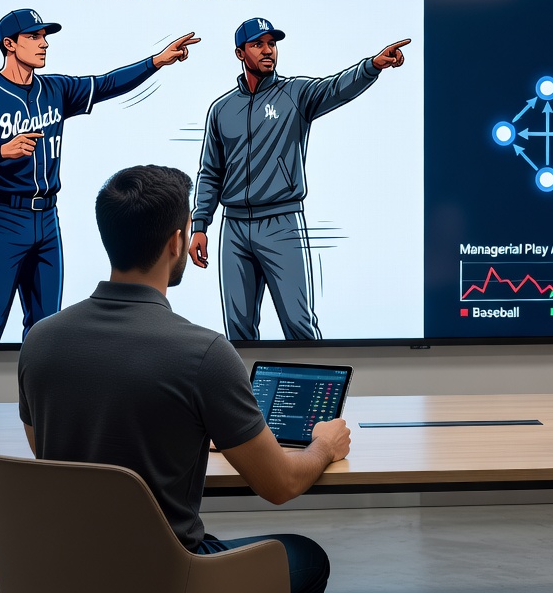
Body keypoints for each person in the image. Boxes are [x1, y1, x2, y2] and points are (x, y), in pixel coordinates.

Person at [18, 165, 350, 593]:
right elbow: (280, 484)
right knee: (308, 557)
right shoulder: (204, 354)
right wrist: (324, 445)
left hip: (68, 571)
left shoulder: (39, 342)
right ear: (177, 242)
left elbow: (51, 453)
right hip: (168, 574)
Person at [0, 8, 200, 344]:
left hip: (46, 218)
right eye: (33, 36)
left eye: (44, 36)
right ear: (9, 44)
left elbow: (107, 84)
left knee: (46, 329)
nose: (43, 43)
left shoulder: (55, 89)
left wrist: (155, 61)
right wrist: (0, 151)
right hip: (1, 218)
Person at [188, 17, 410, 340]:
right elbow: (210, 171)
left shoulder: (295, 94)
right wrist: (200, 226)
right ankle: (242, 393)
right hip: (233, 230)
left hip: (281, 225)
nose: (268, 51)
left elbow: (336, 88)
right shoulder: (222, 110)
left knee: (299, 327)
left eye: (272, 44)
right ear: (240, 53)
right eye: (258, 45)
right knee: (237, 335)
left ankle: (316, 391)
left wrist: (373, 65)